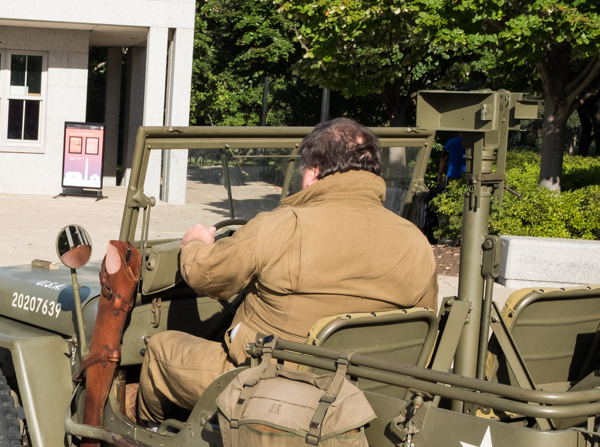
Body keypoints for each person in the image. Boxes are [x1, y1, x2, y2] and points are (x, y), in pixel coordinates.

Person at [133, 118, 438, 425]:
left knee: (160, 351)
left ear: (313, 173)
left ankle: (151, 444)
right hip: (365, 397)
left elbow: (204, 275)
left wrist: (195, 243)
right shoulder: (416, 242)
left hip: (270, 387)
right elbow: (424, 319)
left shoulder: (281, 226)